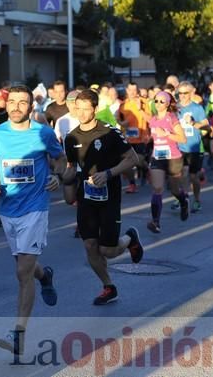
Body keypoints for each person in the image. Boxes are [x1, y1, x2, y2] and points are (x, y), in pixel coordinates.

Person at [0, 85, 64, 356]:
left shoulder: (43, 133)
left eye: (22, 102)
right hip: (8, 209)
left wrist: (57, 176)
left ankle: (18, 335)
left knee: (21, 273)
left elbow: (61, 160)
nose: (16, 106)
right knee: (26, 266)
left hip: (35, 208)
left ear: (31, 106)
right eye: (12, 102)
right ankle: (45, 274)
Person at [64, 89, 143, 306]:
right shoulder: (71, 138)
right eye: (77, 108)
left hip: (109, 196)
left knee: (107, 250)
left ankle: (129, 238)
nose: (81, 113)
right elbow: (71, 168)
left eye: (86, 108)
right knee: (90, 245)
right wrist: (60, 178)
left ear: (95, 109)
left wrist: (107, 173)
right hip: (86, 198)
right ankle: (108, 286)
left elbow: (132, 159)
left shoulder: (109, 133)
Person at [145, 91, 189, 233]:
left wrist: (167, 134)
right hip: (157, 157)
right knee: (157, 188)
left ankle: (183, 202)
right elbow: (154, 137)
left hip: (173, 158)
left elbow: (182, 139)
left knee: (175, 189)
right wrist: (149, 140)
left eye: (162, 101)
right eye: (156, 101)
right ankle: (155, 222)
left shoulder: (172, 118)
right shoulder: (153, 120)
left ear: (168, 103)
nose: (158, 104)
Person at [176, 82, 208, 212]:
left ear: (191, 93)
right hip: (179, 146)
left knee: (193, 177)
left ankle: (197, 199)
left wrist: (194, 122)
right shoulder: (175, 108)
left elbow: (206, 125)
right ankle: (184, 198)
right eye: (180, 93)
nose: (182, 96)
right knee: (182, 173)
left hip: (194, 147)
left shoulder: (197, 108)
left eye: (185, 93)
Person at [118, 82, 151, 193]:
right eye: (130, 90)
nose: (132, 92)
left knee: (139, 160)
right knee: (126, 162)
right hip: (128, 138)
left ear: (137, 91)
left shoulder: (144, 102)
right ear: (127, 90)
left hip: (142, 137)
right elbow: (120, 121)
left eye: (134, 90)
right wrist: (123, 123)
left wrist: (139, 108)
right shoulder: (123, 105)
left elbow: (150, 119)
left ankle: (146, 169)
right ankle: (132, 184)